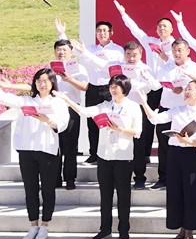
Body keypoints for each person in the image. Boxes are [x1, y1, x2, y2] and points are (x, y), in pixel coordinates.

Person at [0, 64, 69, 239]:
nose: (42, 84)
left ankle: (45, 225)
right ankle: (33, 225)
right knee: (30, 189)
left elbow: (63, 124)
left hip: (47, 150)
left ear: (52, 83)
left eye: (45, 81)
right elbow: (2, 97)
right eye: (38, 81)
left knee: (48, 189)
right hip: (26, 149)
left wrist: (48, 120)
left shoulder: (58, 102)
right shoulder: (26, 101)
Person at [63, 40, 161, 190]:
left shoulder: (145, 69)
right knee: (115, 141)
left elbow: (155, 86)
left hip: (137, 109)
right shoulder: (118, 67)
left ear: (140, 55)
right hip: (117, 108)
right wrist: (84, 51)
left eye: (134, 55)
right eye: (128, 54)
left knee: (138, 145)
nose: (131, 58)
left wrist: (145, 79)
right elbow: (99, 63)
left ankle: (139, 178)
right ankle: (115, 176)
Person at [57, 75, 142, 239]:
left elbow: (137, 131)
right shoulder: (105, 106)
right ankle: (105, 229)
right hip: (104, 155)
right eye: (111, 86)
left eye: (116, 86)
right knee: (105, 194)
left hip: (123, 156)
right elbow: (84, 111)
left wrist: (120, 129)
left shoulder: (133, 107)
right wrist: (66, 99)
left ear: (124, 88)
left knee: (123, 195)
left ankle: (124, 230)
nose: (113, 89)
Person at [0, 39, 88, 191]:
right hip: (50, 109)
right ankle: (55, 178)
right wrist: (10, 86)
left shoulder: (79, 68)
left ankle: (70, 178)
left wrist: (69, 79)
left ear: (71, 52)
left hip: (70, 108)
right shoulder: (48, 69)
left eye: (64, 50)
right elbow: (34, 86)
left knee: (70, 146)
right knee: (54, 145)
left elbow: (85, 87)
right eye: (58, 50)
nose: (61, 52)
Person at [136, 81, 196, 239]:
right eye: (186, 89)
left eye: (190, 89)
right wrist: (144, 102)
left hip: (192, 154)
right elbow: (155, 119)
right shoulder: (177, 110)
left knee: (191, 191)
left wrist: (188, 141)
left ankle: (190, 229)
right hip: (175, 154)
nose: (186, 92)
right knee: (175, 191)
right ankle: (180, 228)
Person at [114, 0, 175, 184]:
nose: (162, 29)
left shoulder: (176, 45)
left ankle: (163, 168)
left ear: (171, 29)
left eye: (165, 26)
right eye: (159, 26)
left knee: (161, 125)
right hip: (149, 86)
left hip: (167, 88)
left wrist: (165, 57)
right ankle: (145, 154)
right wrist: (123, 14)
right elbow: (136, 30)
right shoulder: (150, 42)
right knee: (145, 123)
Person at [56, 18, 124, 164]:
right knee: (92, 122)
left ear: (111, 32)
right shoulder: (91, 49)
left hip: (110, 88)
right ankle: (94, 153)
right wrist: (62, 34)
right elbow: (70, 49)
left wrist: (86, 53)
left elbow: (110, 68)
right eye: (99, 31)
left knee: (110, 120)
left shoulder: (118, 50)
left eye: (104, 31)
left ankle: (110, 152)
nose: (101, 33)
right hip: (93, 88)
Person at [151, 39, 196, 189]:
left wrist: (182, 91)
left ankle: (191, 177)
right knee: (164, 145)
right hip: (166, 109)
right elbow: (156, 84)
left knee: (188, 143)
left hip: (185, 112)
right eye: (174, 50)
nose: (176, 53)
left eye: (180, 50)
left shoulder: (195, 68)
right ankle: (163, 178)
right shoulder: (166, 67)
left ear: (188, 51)